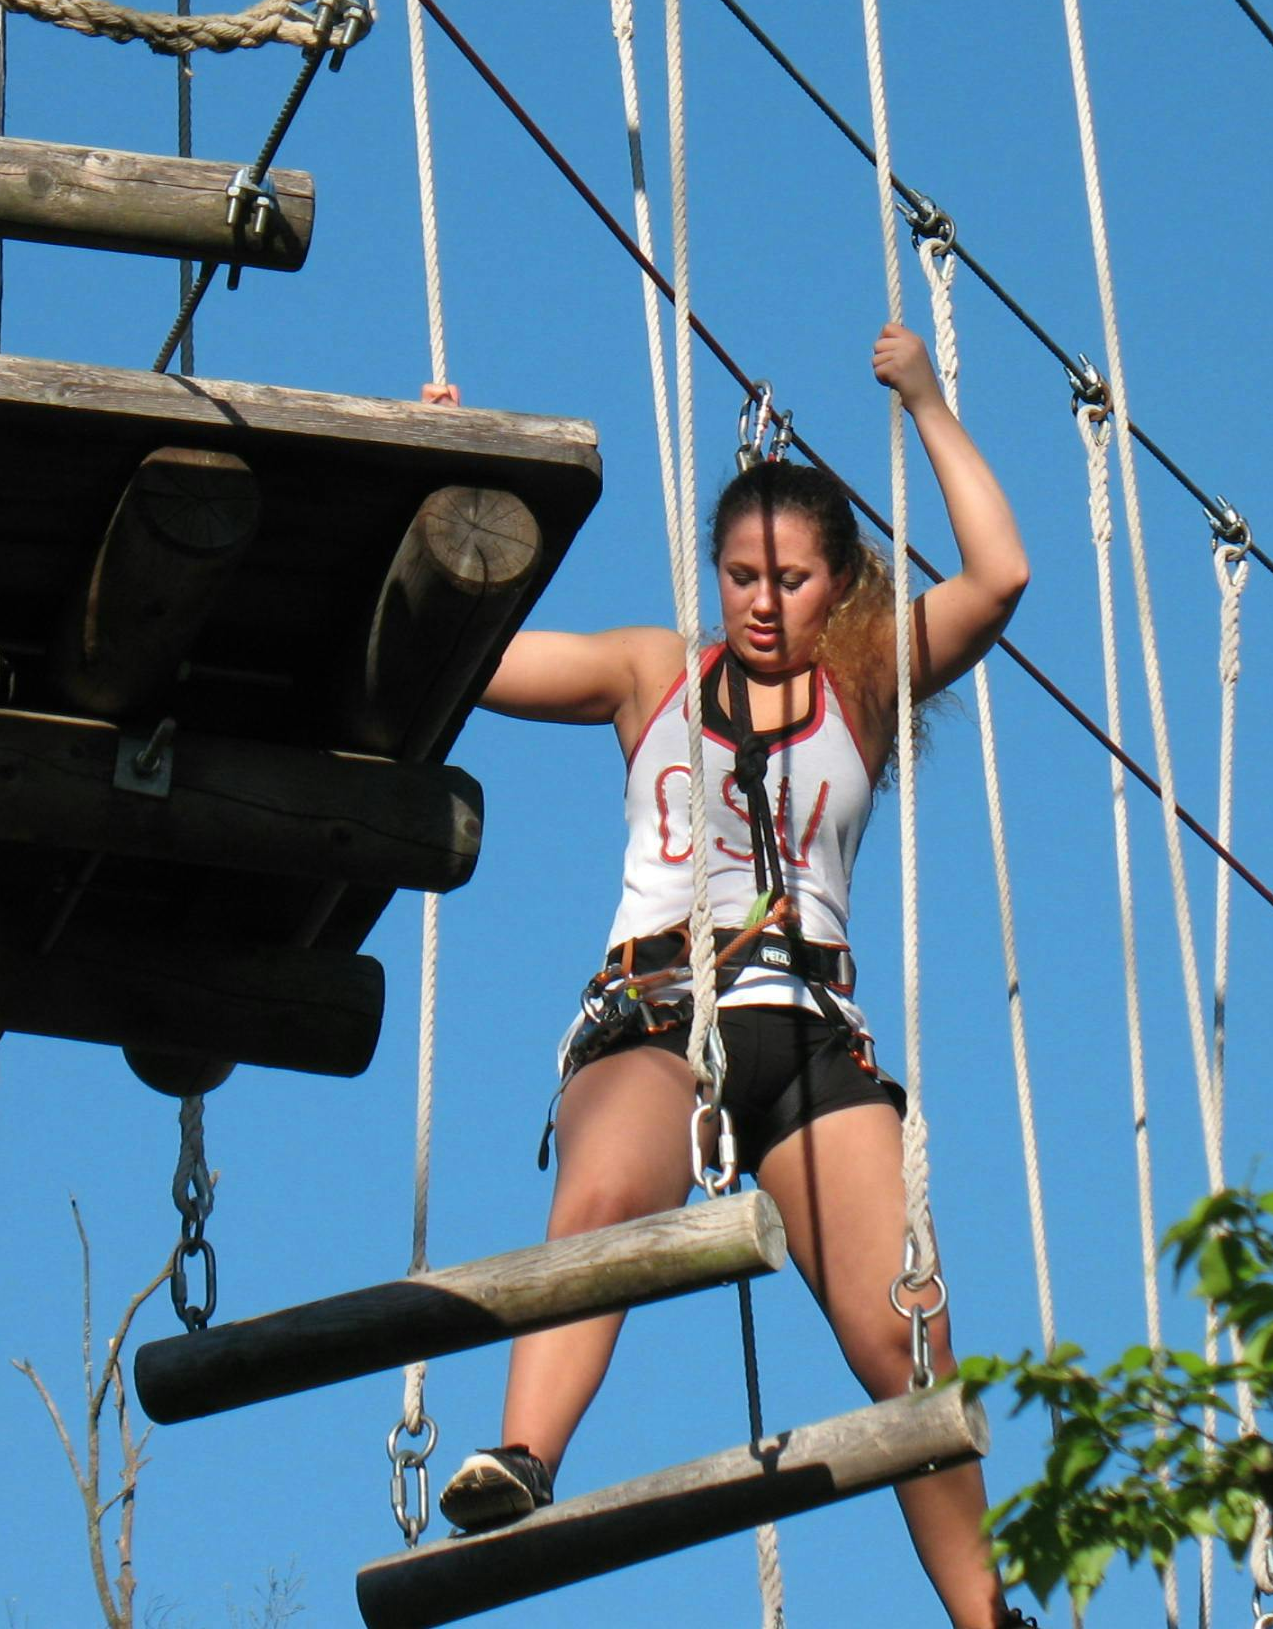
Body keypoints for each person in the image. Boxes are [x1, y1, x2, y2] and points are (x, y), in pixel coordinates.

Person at [418, 323, 1034, 1627]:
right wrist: (443, 487)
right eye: (743, 575)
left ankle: (989, 1617)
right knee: (605, 1200)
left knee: (908, 1337)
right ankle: (523, 1460)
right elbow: (469, 656)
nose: (763, 601)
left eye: (794, 579)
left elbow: (1001, 575)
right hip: (655, 1013)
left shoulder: (863, 687)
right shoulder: (654, 673)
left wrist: (924, 399)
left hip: (809, 1037)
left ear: (839, 588)